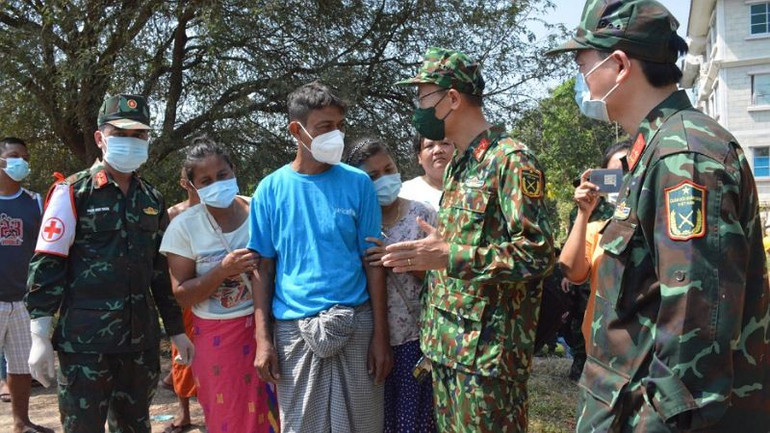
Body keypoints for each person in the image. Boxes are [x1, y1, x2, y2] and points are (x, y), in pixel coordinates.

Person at [547, 1, 770, 430]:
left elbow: (694, 335)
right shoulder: (654, 151)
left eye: (582, 64)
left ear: (618, 65)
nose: (581, 78)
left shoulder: (685, 157)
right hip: (622, 404)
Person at [383, 48, 555, 432]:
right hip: (449, 347)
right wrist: (438, 250)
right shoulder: (460, 164)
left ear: (452, 98)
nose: (419, 109)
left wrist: (451, 255)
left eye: (423, 98)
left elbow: (538, 254)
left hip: (489, 359)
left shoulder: (511, 160)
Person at [26, 94, 194, 433]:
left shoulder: (151, 198)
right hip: (86, 344)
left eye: (139, 135)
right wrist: (39, 335)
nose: (130, 142)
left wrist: (177, 330)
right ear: (100, 138)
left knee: (135, 426)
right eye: (120, 134)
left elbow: (161, 273)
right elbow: (48, 262)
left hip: (140, 342)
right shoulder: (73, 192)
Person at [249, 81, 392, 432]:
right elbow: (263, 268)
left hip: (356, 325)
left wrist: (380, 337)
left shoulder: (358, 184)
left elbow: (373, 262)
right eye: (325, 127)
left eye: (340, 126)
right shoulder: (270, 189)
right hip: (294, 331)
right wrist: (263, 340)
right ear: (296, 131)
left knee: (363, 425)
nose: (336, 135)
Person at [160, 136, 279, 433]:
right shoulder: (183, 228)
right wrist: (222, 271)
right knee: (229, 416)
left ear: (233, 170)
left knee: (277, 412)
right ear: (193, 186)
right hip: (217, 338)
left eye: (222, 175)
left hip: (271, 326)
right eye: (206, 181)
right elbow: (182, 295)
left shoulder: (260, 211)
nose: (217, 184)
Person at [345, 137, 438, 433]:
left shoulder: (423, 215)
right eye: (373, 176)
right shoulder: (353, 222)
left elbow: (441, 278)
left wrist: (400, 258)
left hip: (417, 337)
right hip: (368, 340)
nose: (384, 179)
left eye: (389, 169)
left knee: (415, 419)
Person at [558, 140, 630, 381]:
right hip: (601, 353)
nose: (625, 179)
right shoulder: (597, 228)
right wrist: (583, 212)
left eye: (630, 170)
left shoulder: (660, 226)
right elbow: (572, 270)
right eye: (616, 174)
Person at [0, 137, 53, 433]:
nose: (20, 161)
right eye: (13, 155)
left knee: (21, 366)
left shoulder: (35, 202)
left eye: (24, 157)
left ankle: (21, 423)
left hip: (24, 300)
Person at [161, 167, 201, 433]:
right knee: (181, 353)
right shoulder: (172, 215)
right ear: (184, 183)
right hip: (182, 291)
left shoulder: (223, 210)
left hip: (214, 290)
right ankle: (183, 411)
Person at [399, 134, 453, 210]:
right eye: (429, 146)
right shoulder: (404, 194)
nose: (438, 150)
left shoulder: (469, 188)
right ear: (419, 157)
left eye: (444, 143)